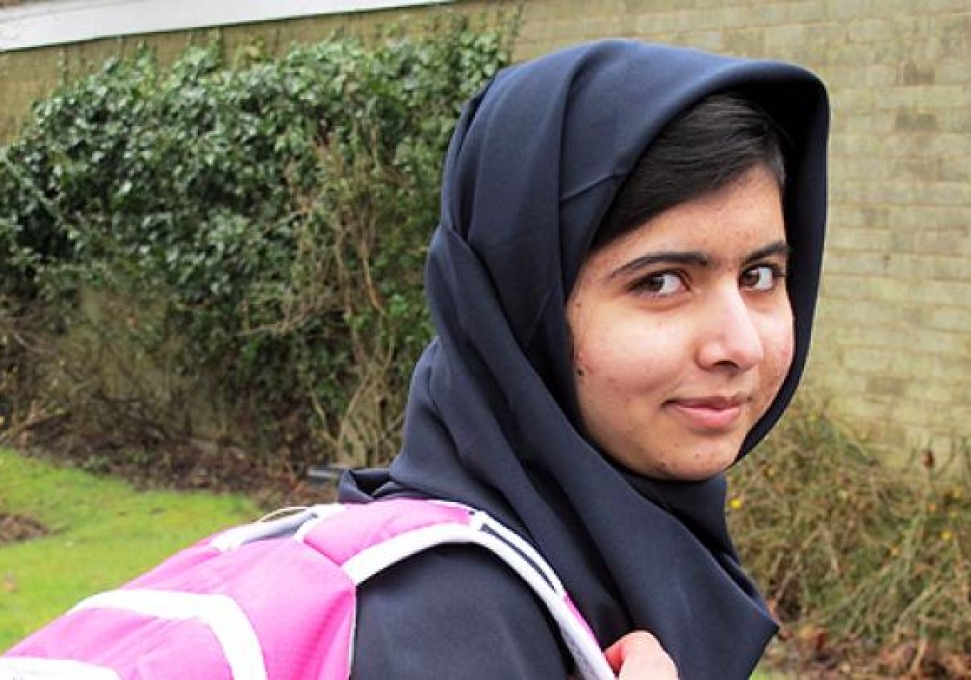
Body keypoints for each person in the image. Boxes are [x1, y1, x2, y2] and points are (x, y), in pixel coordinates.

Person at [339, 38, 829, 680]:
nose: (741, 346)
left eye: (761, 275)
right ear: (519, 306)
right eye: (661, 282)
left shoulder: (622, 559)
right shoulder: (439, 627)